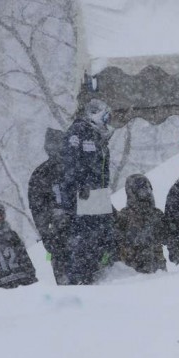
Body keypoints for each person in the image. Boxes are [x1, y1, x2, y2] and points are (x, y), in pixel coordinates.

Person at [60, 98, 117, 284]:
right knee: (85, 238)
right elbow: (70, 162)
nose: (107, 120)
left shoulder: (98, 135)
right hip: (82, 195)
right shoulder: (78, 132)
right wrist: (78, 185)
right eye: (105, 116)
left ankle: (101, 272)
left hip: (97, 194)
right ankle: (82, 277)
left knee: (103, 234)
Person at [28, 128, 71, 284]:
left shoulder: (40, 174)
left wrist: (48, 236)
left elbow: (38, 211)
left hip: (67, 238)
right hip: (68, 239)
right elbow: (39, 212)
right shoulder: (42, 175)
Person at [115, 174, 167, 274]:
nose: (146, 193)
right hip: (133, 275)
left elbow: (170, 236)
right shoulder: (124, 216)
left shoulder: (156, 214)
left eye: (147, 189)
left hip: (159, 274)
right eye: (141, 190)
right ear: (132, 193)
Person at [0, 203, 37, 289]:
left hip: (23, 279)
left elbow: (23, 255)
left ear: (3, 216)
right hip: (2, 285)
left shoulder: (12, 235)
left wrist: (30, 273)